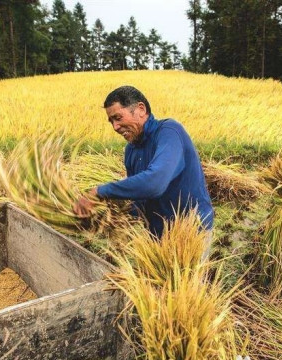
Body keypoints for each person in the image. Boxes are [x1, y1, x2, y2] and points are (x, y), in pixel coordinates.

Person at [73, 85, 214, 246]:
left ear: (141, 109)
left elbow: (155, 183)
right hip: (157, 235)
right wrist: (112, 217)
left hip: (192, 233)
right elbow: (140, 199)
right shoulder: (131, 151)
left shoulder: (169, 132)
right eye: (111, 121)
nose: (115, 127)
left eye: (118, 118)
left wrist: (99, 192)